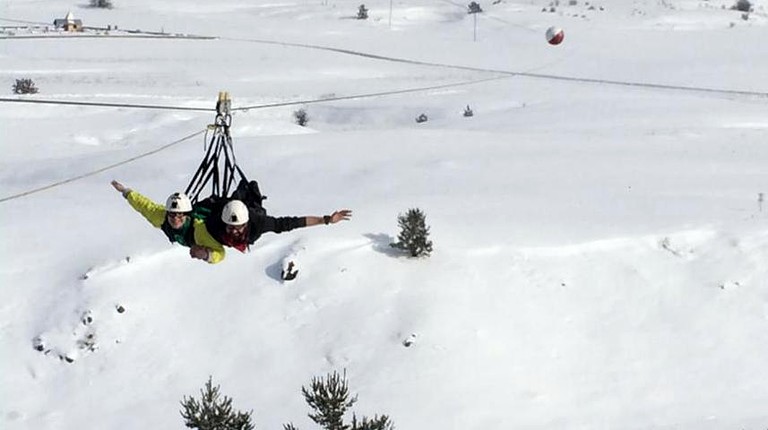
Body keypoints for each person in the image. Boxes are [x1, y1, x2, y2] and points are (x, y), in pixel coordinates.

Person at [204, 180, 352, 252]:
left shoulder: (259, 224)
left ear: (246, 224)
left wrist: (325, 220)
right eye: (231, 228)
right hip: (224, 208)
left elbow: (291, 223)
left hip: (251, 210)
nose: (234, 231)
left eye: (238, 227)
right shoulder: (214, 223)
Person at [110, 180, 226, 264]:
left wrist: (206, 254)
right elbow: (144, 206)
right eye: (172, 214)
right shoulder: (161, 218)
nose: (175, 218)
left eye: (180, 214)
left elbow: (220, 253)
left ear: (187, 215)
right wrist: (126, 192)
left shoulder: (199, 230)